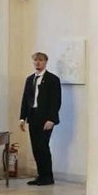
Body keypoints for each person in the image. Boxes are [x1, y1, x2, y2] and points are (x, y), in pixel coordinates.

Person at [19, 52, 61, 185]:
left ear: (45, 62)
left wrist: (51, 119)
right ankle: (41, 175)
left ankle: (48, 176)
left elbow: (56, 101)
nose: (38, 63)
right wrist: (22, 118)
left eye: (41, 60)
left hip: (46, 118)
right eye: (36, 60)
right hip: (33, 116)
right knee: (35, 147)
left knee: (43, 146)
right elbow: (25, 99)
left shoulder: (52, 79)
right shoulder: (30, 79)